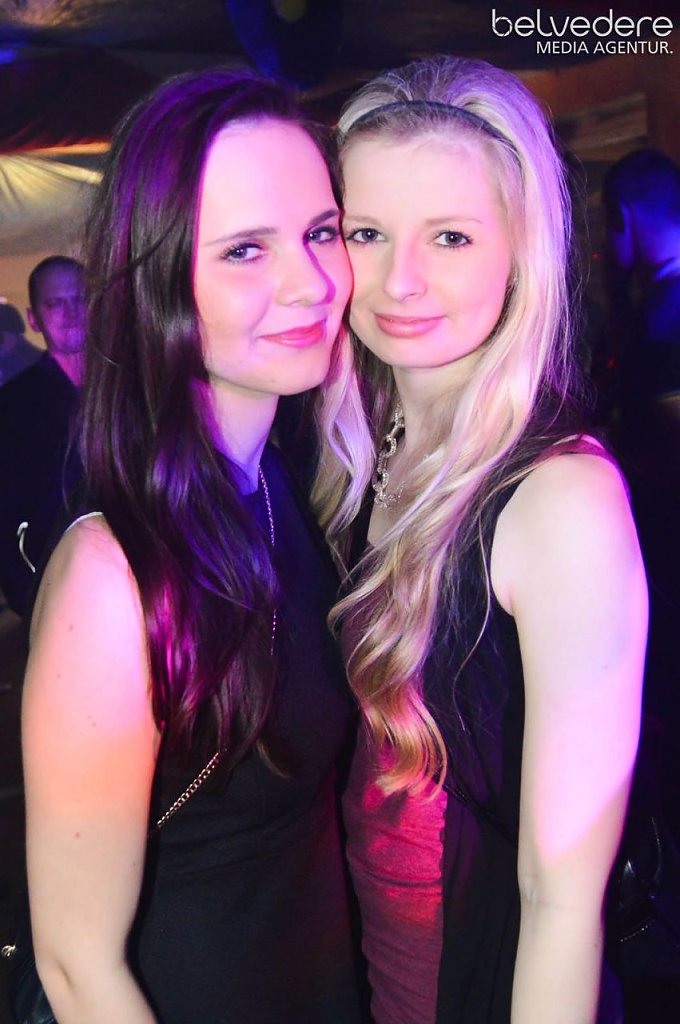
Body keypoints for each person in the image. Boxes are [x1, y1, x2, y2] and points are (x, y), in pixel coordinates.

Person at [21, 68, 365, 1024]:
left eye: (322, 232)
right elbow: (77, 968)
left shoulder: (273, 487)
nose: (310, 282)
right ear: (159, 278)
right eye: (246, 249)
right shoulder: (114, 576)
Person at [311, 57, 648, 1024]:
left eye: (451, 236)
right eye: (366, 232)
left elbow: (560, 903)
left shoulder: (560, 502)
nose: (400, 280)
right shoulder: (345, 456)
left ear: (521, 252)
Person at [0, 256, 85, 615]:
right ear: (33, 318)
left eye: (80, 299)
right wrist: (27, 594)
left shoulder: (131, 387)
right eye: (55, 303)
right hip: (59, 585)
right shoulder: (13, 404)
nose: (70, 312)